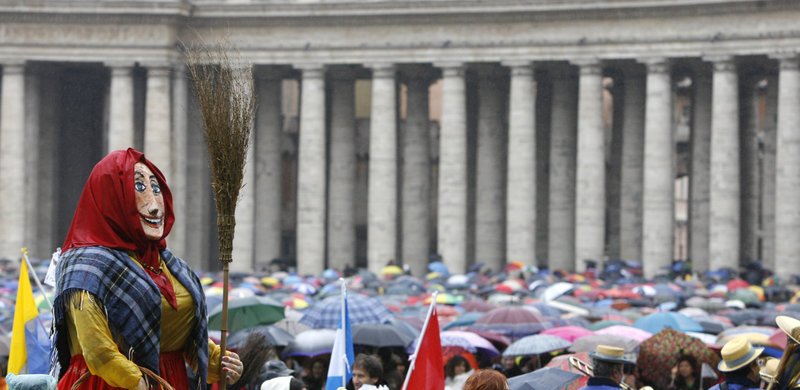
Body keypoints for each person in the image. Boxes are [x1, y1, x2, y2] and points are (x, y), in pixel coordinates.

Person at [51, 149, 244, 389]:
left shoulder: (171, 266)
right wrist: (140, 382)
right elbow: (99, 353)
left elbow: (187, 338)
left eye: (156, 188)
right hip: (110, 384)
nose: (155, 206)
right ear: (110, 197)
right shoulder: (84, 268)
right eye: (139, 188)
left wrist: (220, 364)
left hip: (169, 382)